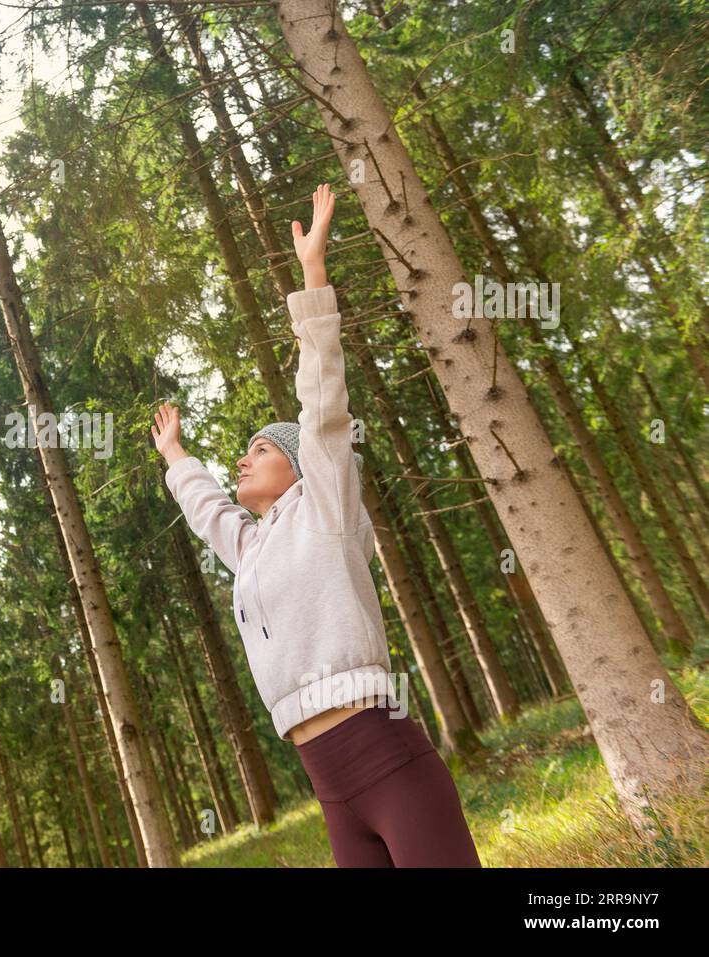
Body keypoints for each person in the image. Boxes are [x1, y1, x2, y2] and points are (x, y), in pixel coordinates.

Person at [151, 184, 480, 867]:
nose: (243, 457)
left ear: (302, 464)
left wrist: (312, 272)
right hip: (330, 791)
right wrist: (177, 456)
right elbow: (210, 510)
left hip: (391, 767)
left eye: (262, 448)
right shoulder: (251, 547)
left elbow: (322, 398)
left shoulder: (326, 498)